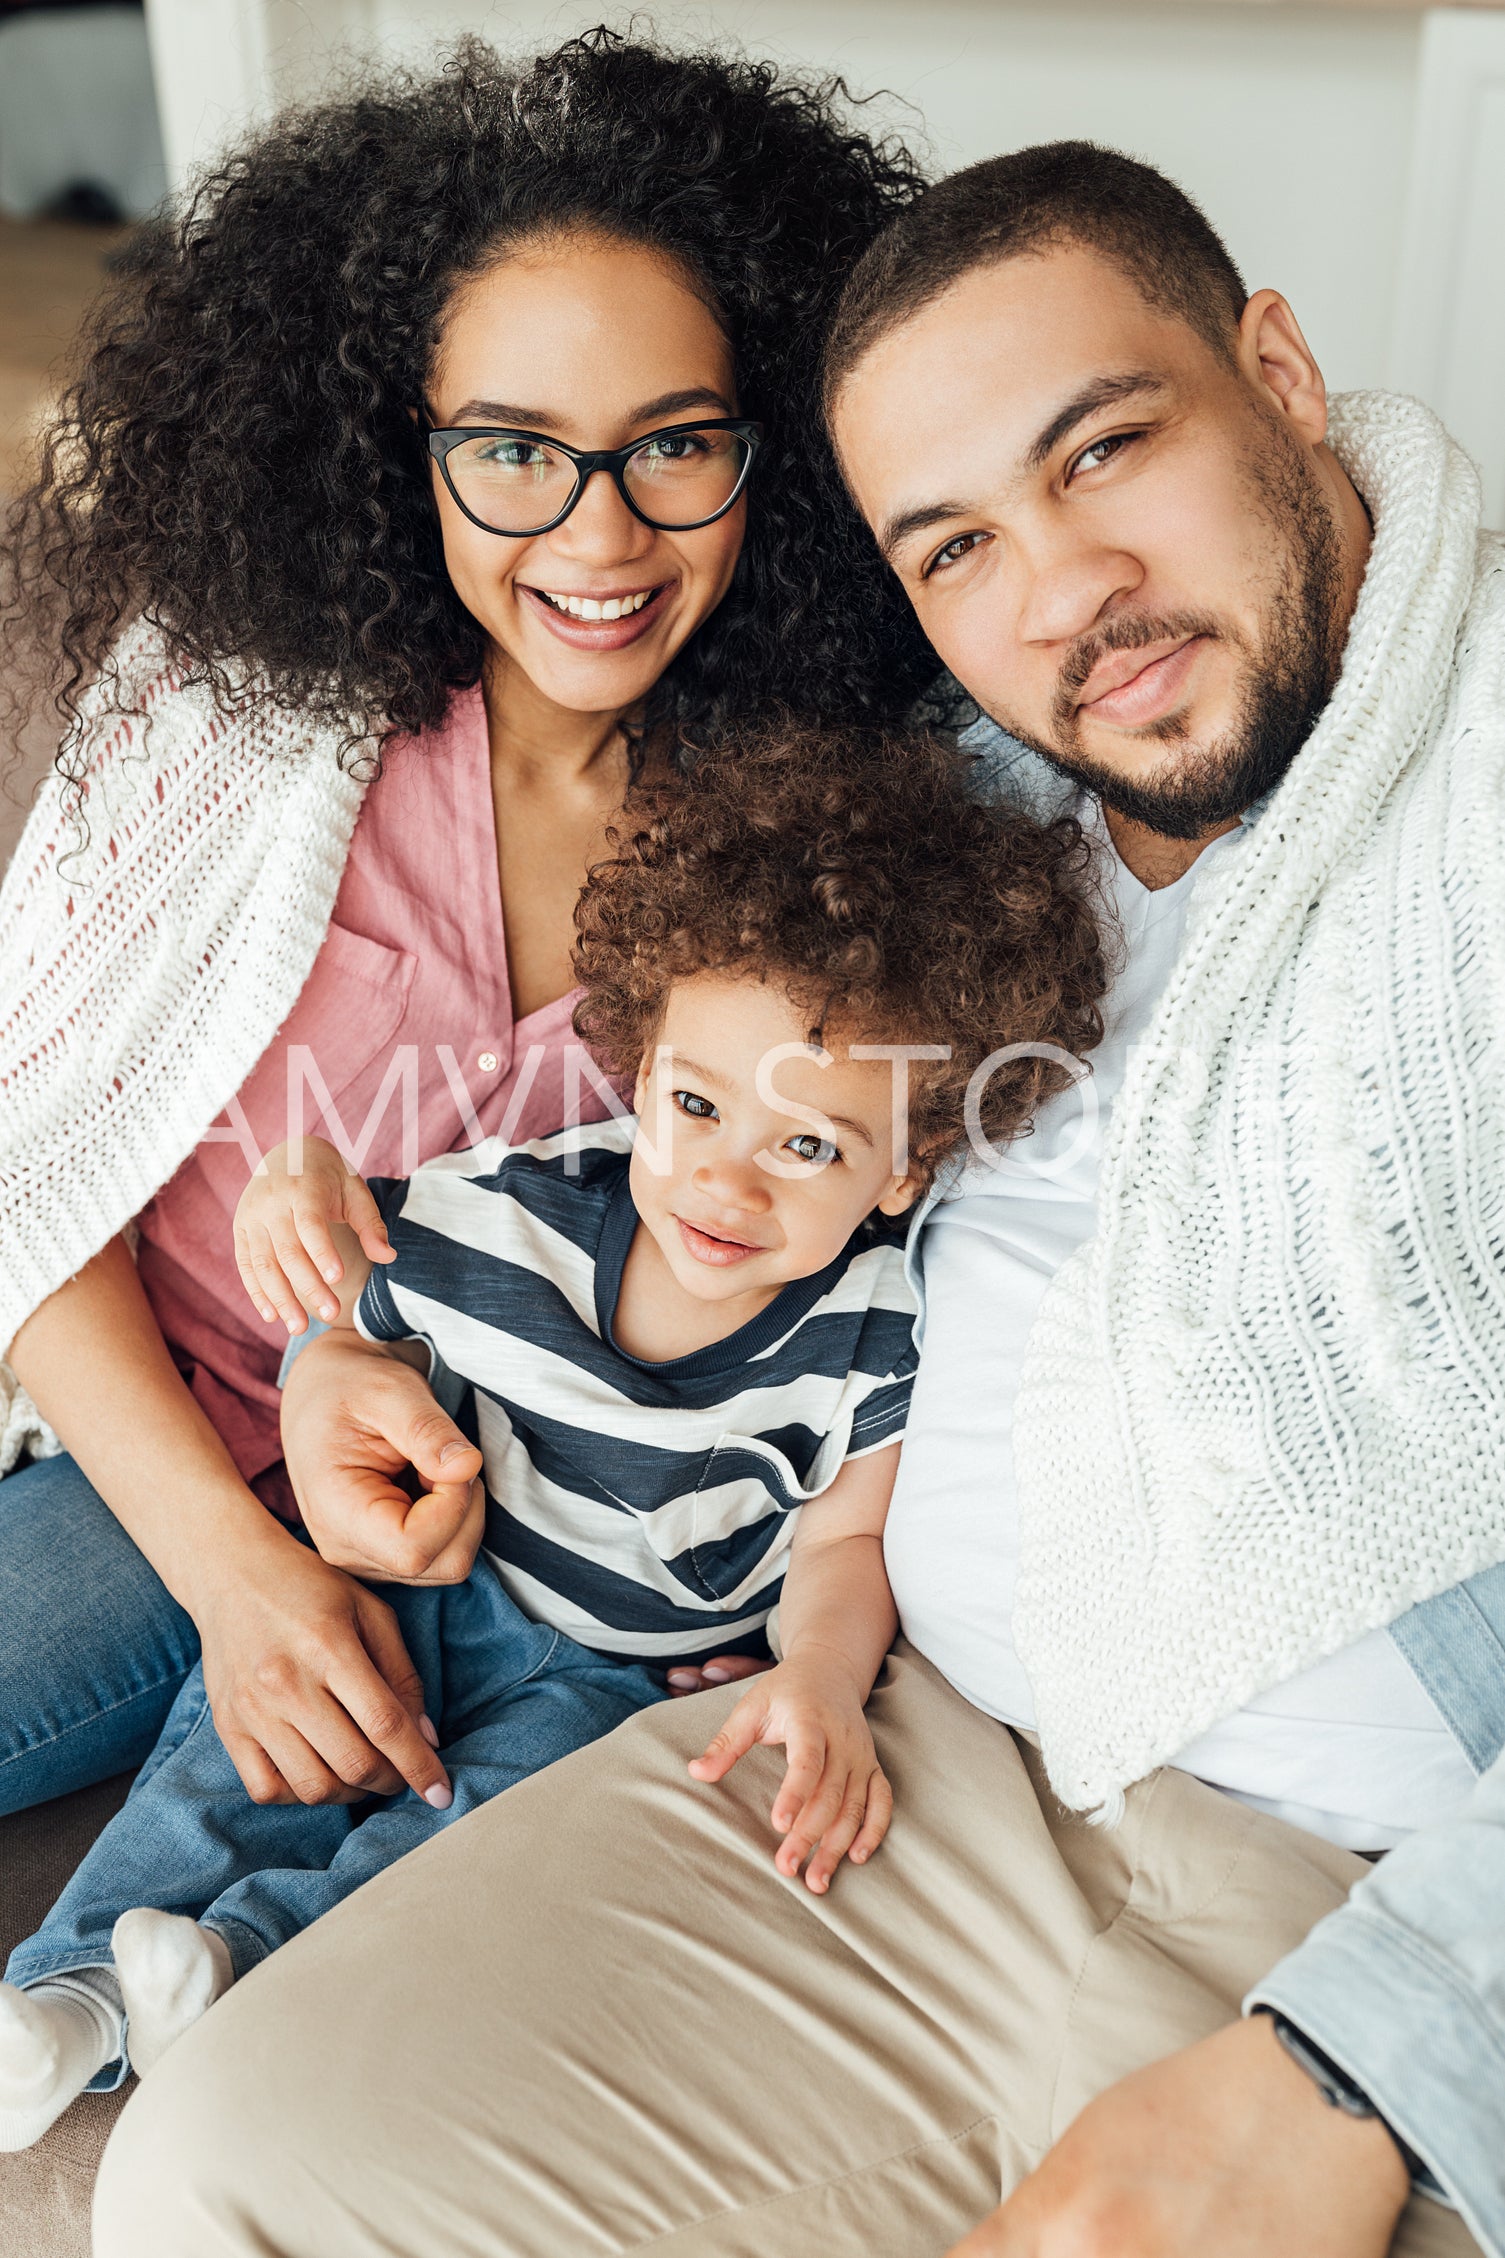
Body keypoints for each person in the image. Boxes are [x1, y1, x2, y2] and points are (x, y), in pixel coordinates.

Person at [93, 142, 1505, 2258]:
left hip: (1362, 1887)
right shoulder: (954, 818)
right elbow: (622, 1174)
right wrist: (341, 1338)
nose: (1061, 593)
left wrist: (1384, 2054)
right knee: (213, 2168)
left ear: (1278, 372)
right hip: (897, 1773)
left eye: (1107, 448)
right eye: (952, 548)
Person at [0, 33, 942, 1826]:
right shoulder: (231, 721)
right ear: (398, 450)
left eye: (676, 444)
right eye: (513, 448)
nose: (598, 534)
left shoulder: (822, 841)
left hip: (536, 1557)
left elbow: (849, 1249)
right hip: (170, 1456)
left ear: (778, 457)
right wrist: (236, 1577)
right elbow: (28, 1167)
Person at [0, 723, 1105, 2148]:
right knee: (233, 1753)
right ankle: (76, 1995)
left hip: (608, 1681)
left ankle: (231, 1968)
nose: (725, 1179)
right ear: (638, 1074)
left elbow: (843, 1540)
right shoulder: (526, 1206)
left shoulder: (875, 1335)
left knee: (461, 1837)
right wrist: (301, 1205)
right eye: (695, 1105)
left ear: (904, 1170)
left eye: (809, 1146)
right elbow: (354, 1297)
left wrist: (819, 1680)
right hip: (432, 1573)